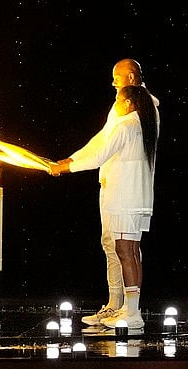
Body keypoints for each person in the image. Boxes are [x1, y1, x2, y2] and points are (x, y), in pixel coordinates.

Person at [49, 59, 159, 329]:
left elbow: (101, 152)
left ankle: (131, 312)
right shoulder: (128, 111)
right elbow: (101, 139)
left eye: (117, 78)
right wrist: (68, 160)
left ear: (131, 78)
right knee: (115, 247)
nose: (113, 84)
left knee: (126, 249)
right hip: (115, 191)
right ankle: (116, 306)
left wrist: (67, 167)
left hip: (127, 194)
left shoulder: (139, 114)